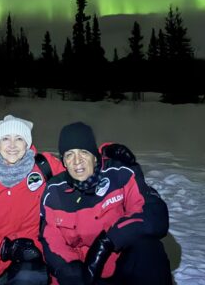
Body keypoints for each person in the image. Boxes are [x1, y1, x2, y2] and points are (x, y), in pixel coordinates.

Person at [39, 122, 171, 285]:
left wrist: (108, 241)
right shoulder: (54, 192)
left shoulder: (119, 174)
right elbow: (51, 241)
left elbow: (154, 215)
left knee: (149, 249)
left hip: (121, 267)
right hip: (84, 277)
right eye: (69, 154)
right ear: (64, 162)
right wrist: (69, 269)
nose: (77, 161)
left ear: (95, 156)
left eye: (84, 152)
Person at [0, 115, 66, 285]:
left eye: (19, 139)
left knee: (30, 276)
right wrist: (5, 248)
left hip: (35, 256)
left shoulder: (45, 167)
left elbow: (80, 171)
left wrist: (108, 154)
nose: (12, 145)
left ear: (27, 144)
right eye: (5, 139)